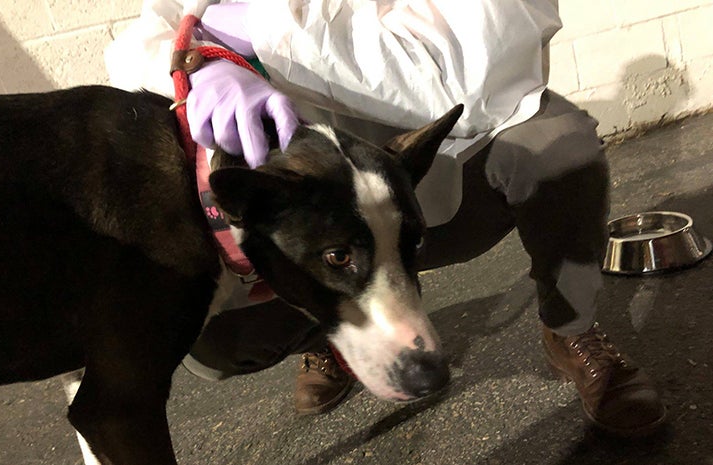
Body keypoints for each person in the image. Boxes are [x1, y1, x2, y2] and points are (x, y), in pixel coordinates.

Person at [106, 0, 666, 435]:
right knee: (213, 340)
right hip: (316, 214)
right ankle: (325, 330)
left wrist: (261, 32)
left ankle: (571, 331)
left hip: (433, 182)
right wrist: (194, 65)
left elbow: (479, 76)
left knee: (557, 145)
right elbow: (141, 40)